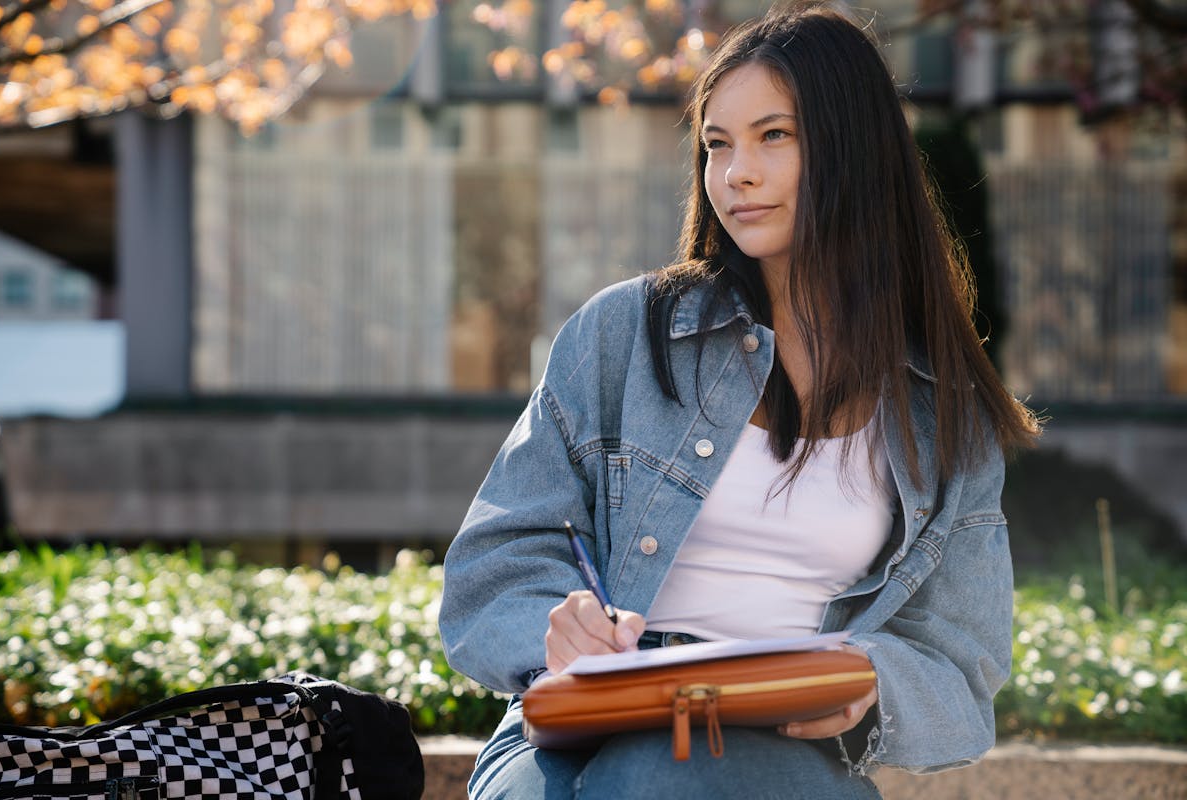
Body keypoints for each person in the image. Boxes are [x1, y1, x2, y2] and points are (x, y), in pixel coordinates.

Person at [439, 3, 1040, 798]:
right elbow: (494, 561)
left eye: (774, 137)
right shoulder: (623, 334)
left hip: (771, 742)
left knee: (683, 773)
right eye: (716, 145)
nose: (735, 175)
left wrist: (867, 682)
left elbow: (960, 662)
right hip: (578, 730)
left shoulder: (944, 416)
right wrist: (557, 622)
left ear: (853, 151)